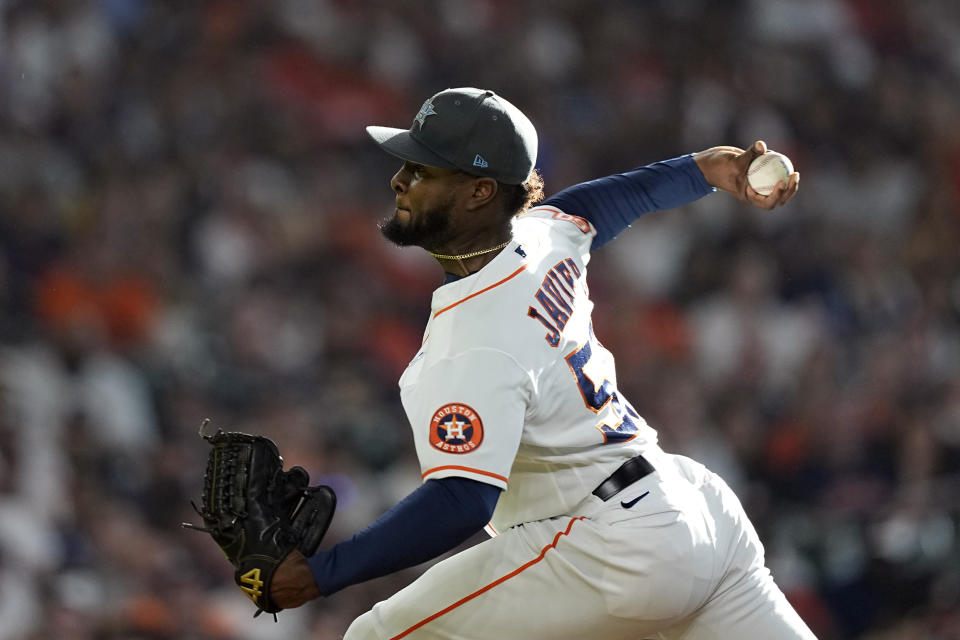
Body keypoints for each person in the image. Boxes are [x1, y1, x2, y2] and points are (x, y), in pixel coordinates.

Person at [270, 87, 813, 639]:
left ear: (480, 191)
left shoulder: (473, 340)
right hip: (694, 513)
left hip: (615, 547)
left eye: (423, 169)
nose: (399, 181)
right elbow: (599, 205)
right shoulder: (539, 235)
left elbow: (462, 500)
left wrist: (319, 576)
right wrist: (703, 170)